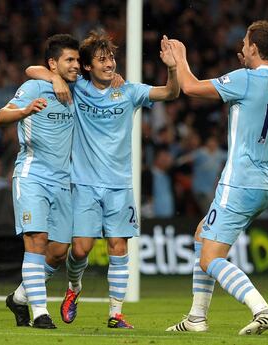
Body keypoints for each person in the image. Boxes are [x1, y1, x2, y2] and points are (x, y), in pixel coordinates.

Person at [26, 30, 179, 328]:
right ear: (87, 66)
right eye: (101, 59)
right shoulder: (79, 87)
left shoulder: (129, 91)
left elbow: (170, 93)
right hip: (83, 184)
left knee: (118, 247)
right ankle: (74, 289)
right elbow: (32, 69)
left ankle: (115, 313)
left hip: (120, 185)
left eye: (111, 58)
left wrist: (172, 68)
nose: (109, 64)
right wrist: (56, 79)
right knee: (80, 248)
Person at [165, 20, 268, 335]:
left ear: (253, 47)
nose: (241, 47)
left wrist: (179, 59)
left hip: (239, 180)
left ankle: (261, 309)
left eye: (244, 43)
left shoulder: (246, 79)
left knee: (209, 258)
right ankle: (196, 318)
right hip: (265, 180)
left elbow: (191, 87)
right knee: (202, 235)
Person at [0, 34, 80, 329]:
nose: (76, 65)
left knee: (58, 251)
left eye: (78, 60)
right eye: (70, 60)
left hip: (62, 181)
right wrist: (25, 110)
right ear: (53, 63)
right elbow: (0, 116)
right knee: (36, 241)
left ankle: (19, 298)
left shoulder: (75, 89)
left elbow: (38, 67)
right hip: (32, 176)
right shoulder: (33, 87)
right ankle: (40, 313)